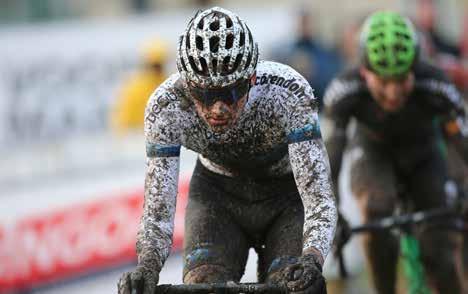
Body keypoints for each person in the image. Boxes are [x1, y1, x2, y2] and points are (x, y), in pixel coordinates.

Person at [118, 7, 337, 294]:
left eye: (231, 92)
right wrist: (147, 267)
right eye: (205, 94)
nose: (217, 108)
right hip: (217, 197)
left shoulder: (287, 91)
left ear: (252, 79)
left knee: (293, 285)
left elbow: (319, 197)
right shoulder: (165, 107)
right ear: (186, 84)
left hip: (286, 196)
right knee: (203, 285)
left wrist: (312, 259)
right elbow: (158, 211)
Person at [324, 11, 468, 294]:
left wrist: (463, 187)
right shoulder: (344, 89)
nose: (393, 92)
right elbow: (333, 155)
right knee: (377, 210)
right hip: (373, 154)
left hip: (423, 157)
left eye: (401, 80)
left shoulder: (436, 84)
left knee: (438, 250)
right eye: (383, 81)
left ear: (415, 69)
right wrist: (333, 211)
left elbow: (461, 142)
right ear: (365, 73)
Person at [111, 39, 168, 133]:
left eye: (158, 64)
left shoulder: (169, 85)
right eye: (154, 65)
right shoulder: (133, 88)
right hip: (137, 137)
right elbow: (122, 120)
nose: (157, 69)